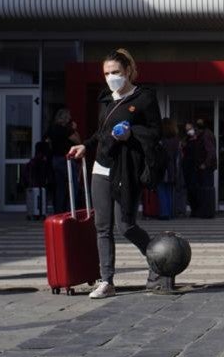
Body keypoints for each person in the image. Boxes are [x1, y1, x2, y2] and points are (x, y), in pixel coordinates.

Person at [67, 48, 161, 299]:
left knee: (126, 225)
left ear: (128, 71)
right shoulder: (105, 99)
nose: (111, 77)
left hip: (126, 168)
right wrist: (84, 145)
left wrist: (132, 134)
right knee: (102, 227)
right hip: (101, 166)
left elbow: (154, 133)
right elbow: (101, 132)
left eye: (116, 72)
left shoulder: (144, 97)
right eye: (107, 73)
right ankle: (106, 280)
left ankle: (159, 262)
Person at [46, 108, 81, 214]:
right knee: (73, 185)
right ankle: (71, 210)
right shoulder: (65, 129)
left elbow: (47, 141)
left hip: (55, 159)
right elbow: (78, 141)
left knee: (60, 187)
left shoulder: (51, 128)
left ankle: (58, 212)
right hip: (66, 159)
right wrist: (74, 129)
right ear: (65, 118)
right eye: (68, 117)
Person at [183, 119, 217, 217]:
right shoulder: (193, 137)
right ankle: (200, 211)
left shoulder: (205, 135)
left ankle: (204, 211)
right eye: (187, 130)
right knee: (198, 190)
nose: (188, 131)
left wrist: (205, 164)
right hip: (196, 167)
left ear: (196, 128)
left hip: (203, 168)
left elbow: (210, 152)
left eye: (190, 129)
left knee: (204, 189)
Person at [157, 118, 182, 220]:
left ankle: (164, 213)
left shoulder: (161, 141)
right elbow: (178, 157)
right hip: (172, 169)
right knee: (169, 191)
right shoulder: (176, 141)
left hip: (162, 169)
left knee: (161, 190)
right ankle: (170, 213)